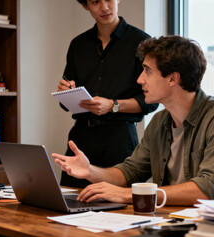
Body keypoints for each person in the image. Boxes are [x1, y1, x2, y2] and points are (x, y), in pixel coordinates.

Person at [52, 35, 214, 206]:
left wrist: (130, 195)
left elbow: (210, 190)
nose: (140, 79)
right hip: (173, 222)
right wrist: (90, 171)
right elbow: (130, 172)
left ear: (172, 79)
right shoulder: (160, 121)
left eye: (147, 71)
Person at [57, 0, 158, 188]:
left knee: (120, 209)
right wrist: (66, 92)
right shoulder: (78, 45)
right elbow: (65, 103)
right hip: (82, 138)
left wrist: (113, 105)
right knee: (69, 201)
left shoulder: (141, 43)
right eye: (95, 2)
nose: (104, 7)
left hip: (119, 140)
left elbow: (151, 102)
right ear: (85, 5)